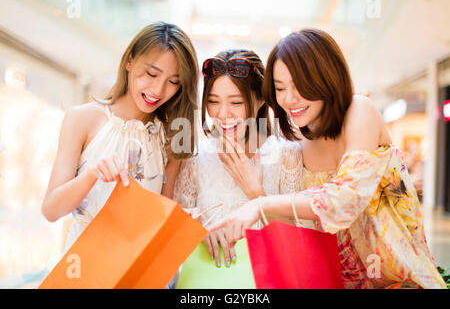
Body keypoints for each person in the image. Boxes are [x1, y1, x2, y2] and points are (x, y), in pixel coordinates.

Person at [209, 29, 446, 289]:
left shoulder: (359, 111)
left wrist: (260, 204)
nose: (289, 98)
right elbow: (304, 237)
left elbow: (344, 200)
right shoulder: (297, 141)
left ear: (327, 77)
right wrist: (255, 192)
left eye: (300, 85)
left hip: (403, 282)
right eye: (280, 88)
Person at [41, 22, 199, 259]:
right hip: (82, 267)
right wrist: (92, 173)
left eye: (173, 81)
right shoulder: (82, 118)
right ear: (129, 61)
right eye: (151, 74)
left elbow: (159, 222)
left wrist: (182, 222)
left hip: (136, 267)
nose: (158, 89)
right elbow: (51, 210)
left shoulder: (172, 137)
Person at [173, 49, 309, 274]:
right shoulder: (195, 159)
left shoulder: (287, 155)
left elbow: (298, 244)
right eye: (213, 101)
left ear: (260, 99)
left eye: (236, 102)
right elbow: (177, 235)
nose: (223, 113)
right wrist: (199, 233)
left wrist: (255, 192)